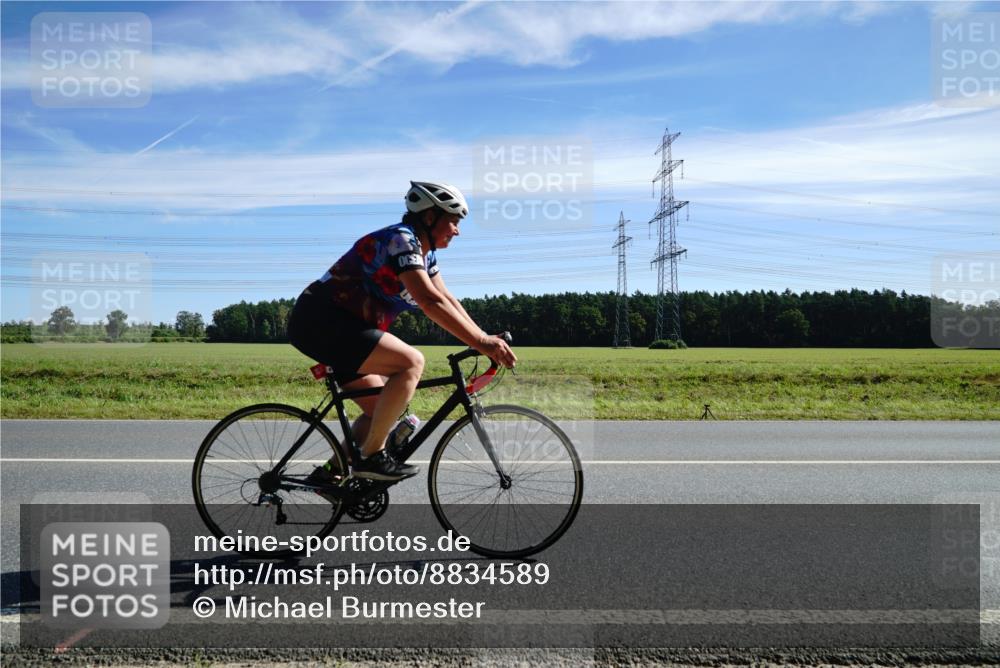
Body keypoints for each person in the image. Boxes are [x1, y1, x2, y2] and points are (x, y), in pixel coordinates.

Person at [288, 181, 517, 482]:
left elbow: (447, 299)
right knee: (411, 362)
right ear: (430, 216)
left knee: (381, 410)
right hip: (321, 321)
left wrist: (484, 337)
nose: (457, 231)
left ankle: (329, 474)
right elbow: (430, 301)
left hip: (347, 330)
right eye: (453, 221)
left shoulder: (425, 255)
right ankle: (372, 457)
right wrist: (482, 342)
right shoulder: (401, 240)